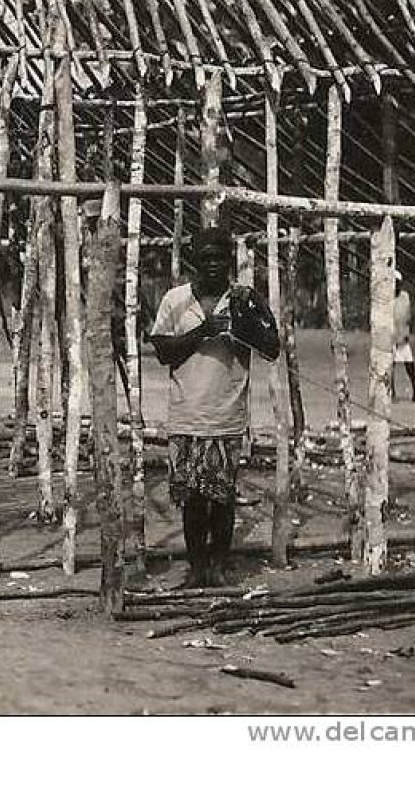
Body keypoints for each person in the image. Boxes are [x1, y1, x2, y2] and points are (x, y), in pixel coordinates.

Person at [147, 226, 280, 587]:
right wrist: (202, 332)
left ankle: (219, 567)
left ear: (230, 261)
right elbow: (162, 352)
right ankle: (197, 568)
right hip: (187, 415)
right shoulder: (175, 300)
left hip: (226, 416)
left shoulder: (244, 299)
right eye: (206, 258)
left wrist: (245, 323)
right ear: (194, 261)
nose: (213, 265)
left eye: (220, 258)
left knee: (221, 500)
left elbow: (272, 347)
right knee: (191, 500)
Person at [392, 271, 415, 402]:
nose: (396, 286)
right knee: (390, 366)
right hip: (391, 337)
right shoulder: (386, 299)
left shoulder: (405, 296)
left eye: (398, 283)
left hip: (403, 336)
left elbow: (407, 316)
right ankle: (391, 393)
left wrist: (406, 333)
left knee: (410, 365)